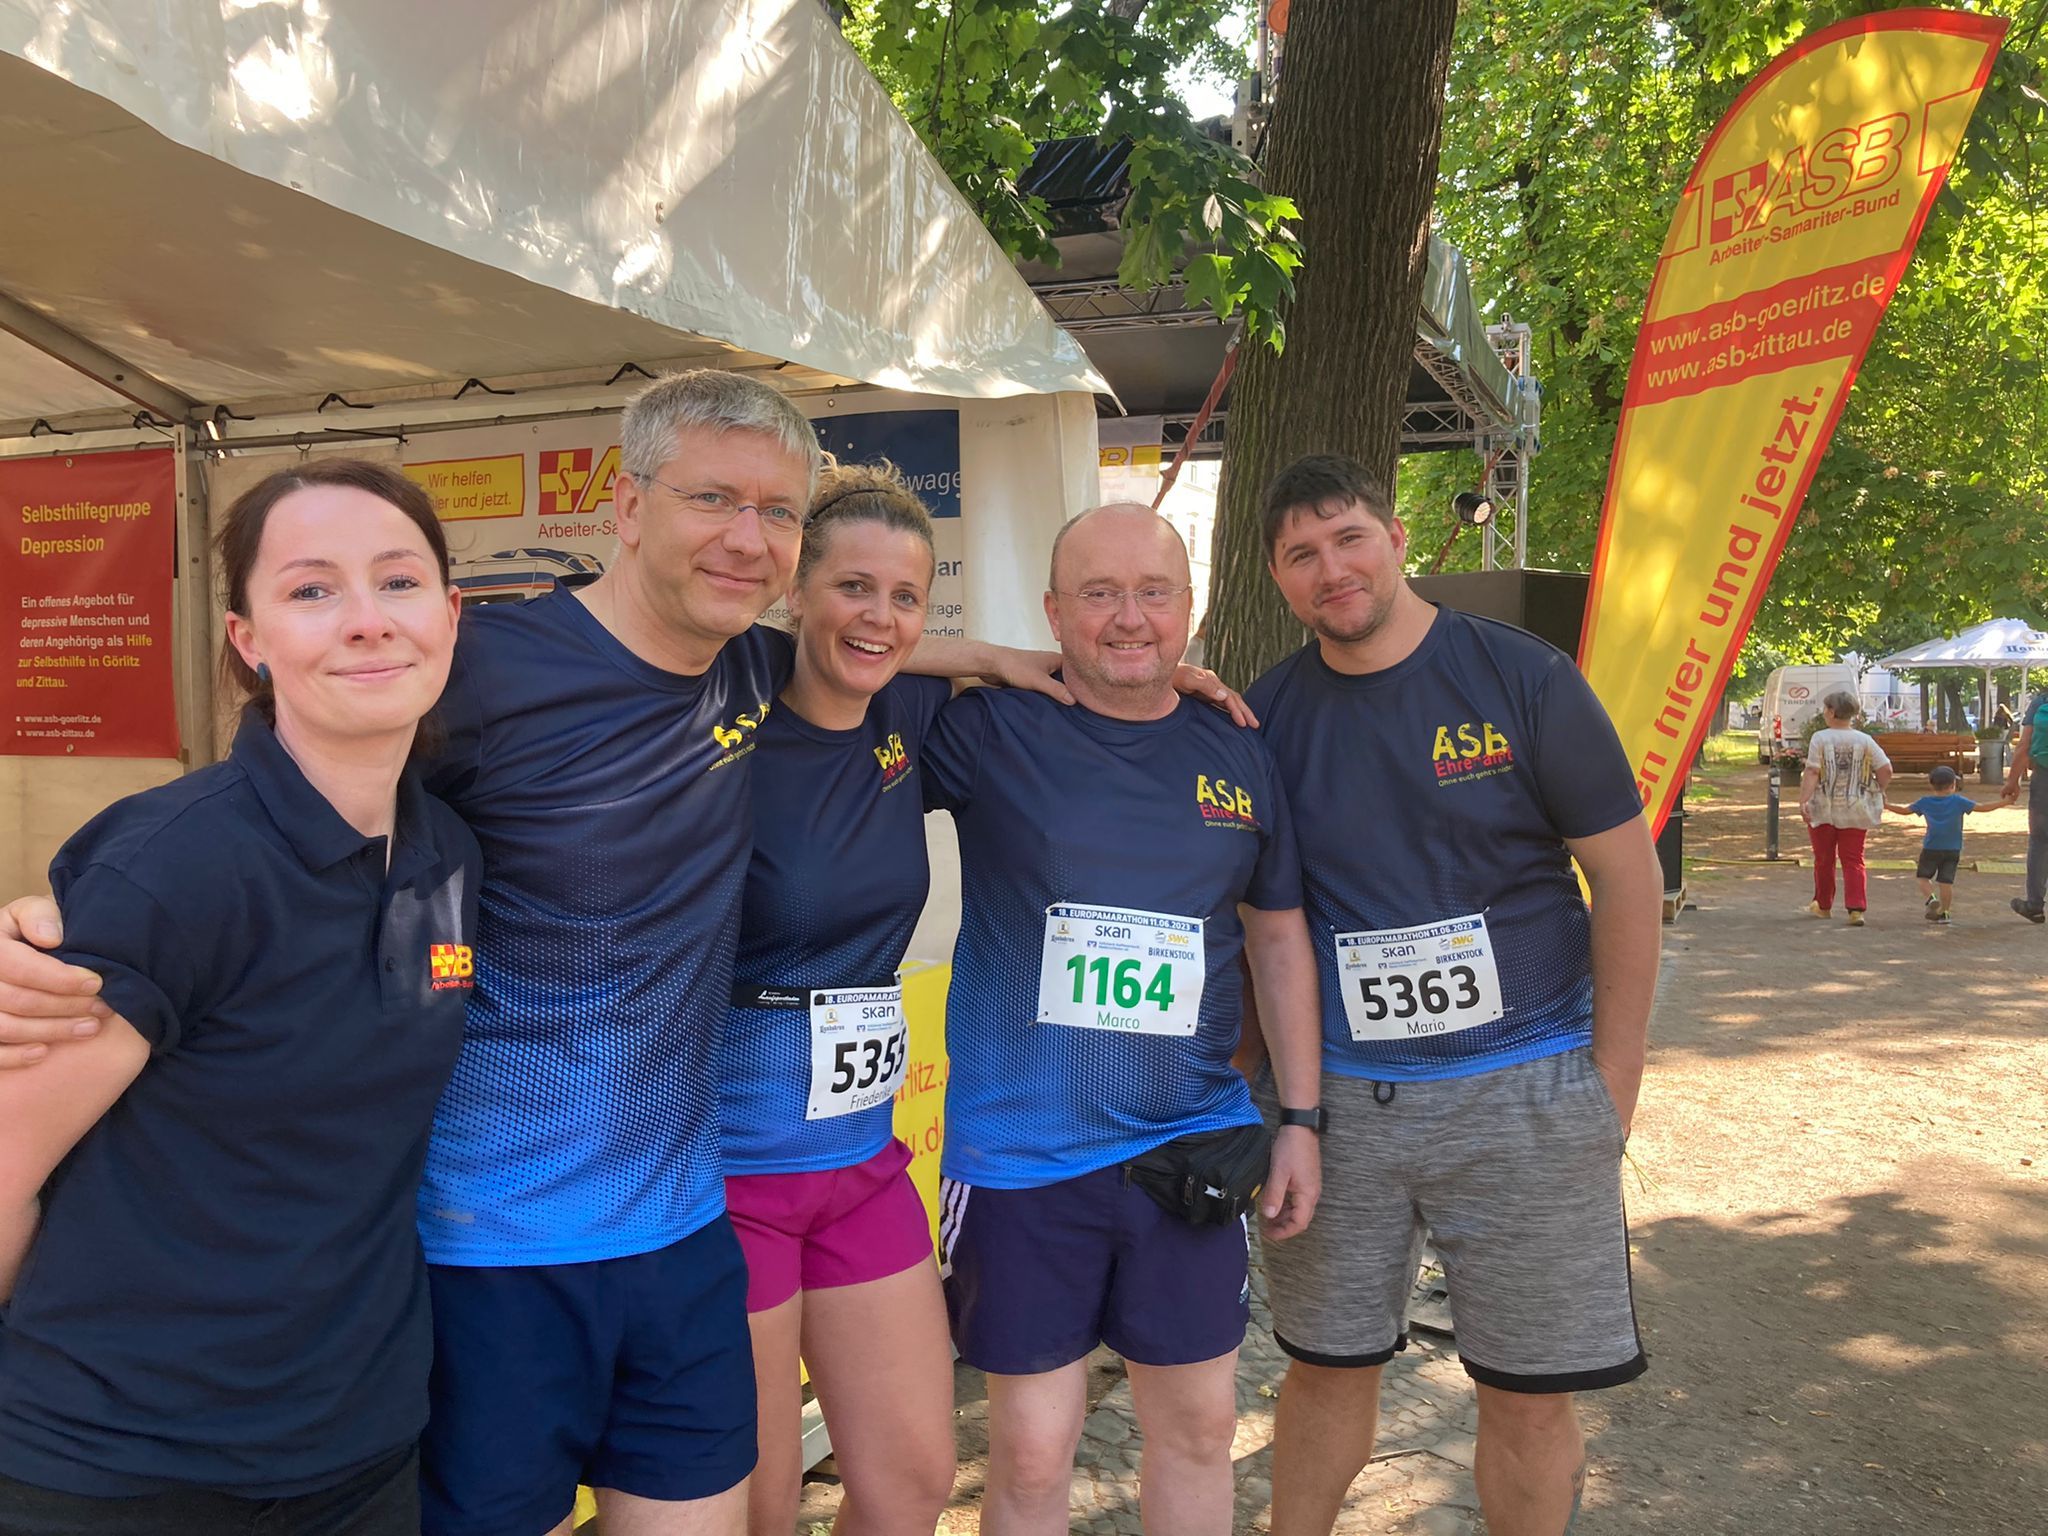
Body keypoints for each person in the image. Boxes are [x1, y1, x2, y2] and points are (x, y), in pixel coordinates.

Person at [0, 460, 476, 1535]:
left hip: (355, 1453)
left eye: (398, 583)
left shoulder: (448, 853)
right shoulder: (176, 863)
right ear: (249, 640)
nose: (365, 622)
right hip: (121, 1471)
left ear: (450, 616)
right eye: (311, 590)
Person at [1238, 455, 1662, 1536]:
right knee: (1323, 1371)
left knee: (1526, 1396)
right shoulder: (1267, 718)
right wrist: (1266, 1099)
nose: (1329, 568)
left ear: (1393, 537)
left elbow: (1623, 877)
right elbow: (1248, 923)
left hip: (1525, 1092)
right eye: (1300, 555)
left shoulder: (1519, 676)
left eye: (1346, 538)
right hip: (1341, 1112)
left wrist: (1610, 1083)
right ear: (1278, 580)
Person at [921, 503, 1325, 1536]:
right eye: (1097, 594)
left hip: (1185, 1147)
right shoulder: (989, 729)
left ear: (1189, 607)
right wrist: (986, 656)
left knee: (1195, 1432)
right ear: (1053, 612)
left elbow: (1276, 939)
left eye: (1153, 592)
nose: (1128, 619)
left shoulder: (1236, 748)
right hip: (1021, 1157)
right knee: (1028, 1451)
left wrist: (1301, 1124)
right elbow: (828, 654)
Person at [720, 463, 956, 1536]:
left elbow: (922, 657)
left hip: (860, 1165)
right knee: (760, 1507)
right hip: (727, 1178)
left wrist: (1001, 654)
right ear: (794, 591)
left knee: (908, 1486)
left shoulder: (903, 715)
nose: (879, 616)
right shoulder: (722, 712)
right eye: (852, 587)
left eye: (904, 596)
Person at [1801, 692, 1892, 927]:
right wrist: (1879, 789)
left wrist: (1804, 800)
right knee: (1853, 859)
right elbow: (1886, 769)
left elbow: (1812, 771)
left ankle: (1823, 905)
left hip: (1823, 807)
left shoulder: (1819, 738)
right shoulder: (1865, 740)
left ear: (1831, 712)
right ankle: (1856, 909)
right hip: (1856, 807)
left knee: (1824, 858)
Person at [1886, 765, 1976, 924]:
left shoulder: (1925, 802)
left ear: (1932, 785)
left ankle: (1931, 898)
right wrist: (2005, 802)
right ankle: (1945, 913)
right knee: (1946, 882)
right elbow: (1983, 808)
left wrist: (1885, 805)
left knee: (1923, 877)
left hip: (1931, 847)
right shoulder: (1959, 801)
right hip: (1953, 848)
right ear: (1953, 785)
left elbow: (1904, 811)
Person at [1999, 689, 2048, 923]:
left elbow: (2023, 746)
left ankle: (2035, 905)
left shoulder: (2041, 702)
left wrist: (2012, 782)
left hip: (2044, 779)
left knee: (2039, 841)